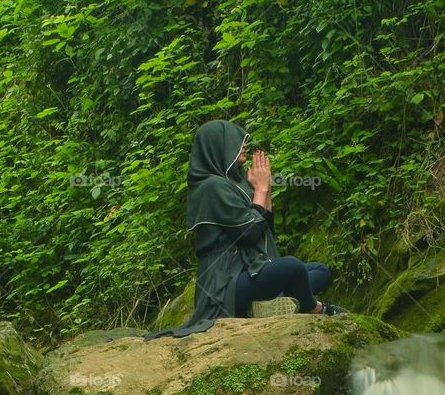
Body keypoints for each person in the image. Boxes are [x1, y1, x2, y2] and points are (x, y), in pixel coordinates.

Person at [145, 119, 343, 340]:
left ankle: (267, 305)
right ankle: (315, 308)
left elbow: (265, 231)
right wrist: (260, 189)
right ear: (219, 147)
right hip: (226, 285)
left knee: (320, 270)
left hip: (252, 270)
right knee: (292, 267)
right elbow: (249, 232)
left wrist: (264, 190)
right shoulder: (211, 187)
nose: (244, 144)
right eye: (236, 141)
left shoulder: (232, 184)